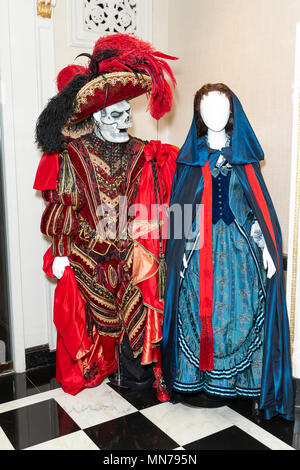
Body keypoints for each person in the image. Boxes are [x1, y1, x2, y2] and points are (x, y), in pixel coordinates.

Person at [34, 33, 178, 400]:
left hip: (131, 252)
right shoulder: (72, 154)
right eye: (115, 115)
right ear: (97, 116)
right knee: (85, 298)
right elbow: (62, 212)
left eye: (128, 114)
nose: (124, 121)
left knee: (143, 287)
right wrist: (69, 250)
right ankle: (98, 368)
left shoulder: (144, 151)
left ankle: (137, 375)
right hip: (88, 251)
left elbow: (159, 204)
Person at [161, 83, 294, 421]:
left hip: (239, 251)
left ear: (232, 113)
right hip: (199, 249)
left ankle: (236, 384)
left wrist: (266, 246)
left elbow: (257, 210)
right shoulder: (190, 160)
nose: (214, 115)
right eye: (207, 109)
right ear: (199, 116)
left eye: (221, 108)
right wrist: (177, 254)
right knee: (198, 312)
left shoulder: (245, 160)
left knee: (239, 312)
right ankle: (202, 382)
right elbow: (180, 208)